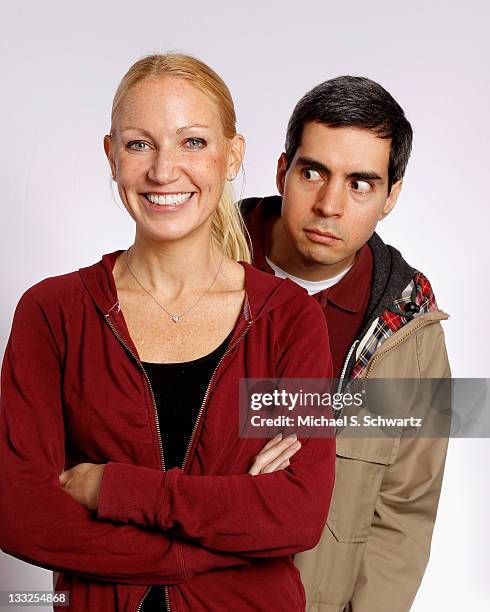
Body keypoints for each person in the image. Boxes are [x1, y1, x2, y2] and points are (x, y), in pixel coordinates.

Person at [0, 54, 335, 612]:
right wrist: (214, 543)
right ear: (111, 157)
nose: (163, 171)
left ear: (234, 156)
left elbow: (297, 514)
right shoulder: (52, 313)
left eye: (193, 142)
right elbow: (20, 512)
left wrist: (114, 489)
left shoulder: (288, 320)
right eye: (139, 144)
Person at [241, 76, 451, 611]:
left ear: (391, 197)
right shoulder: (193, 269)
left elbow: (405, 512)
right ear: (282, 171)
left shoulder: (411, 335)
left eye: (361, 183)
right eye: (313, 173)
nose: (330, 205)